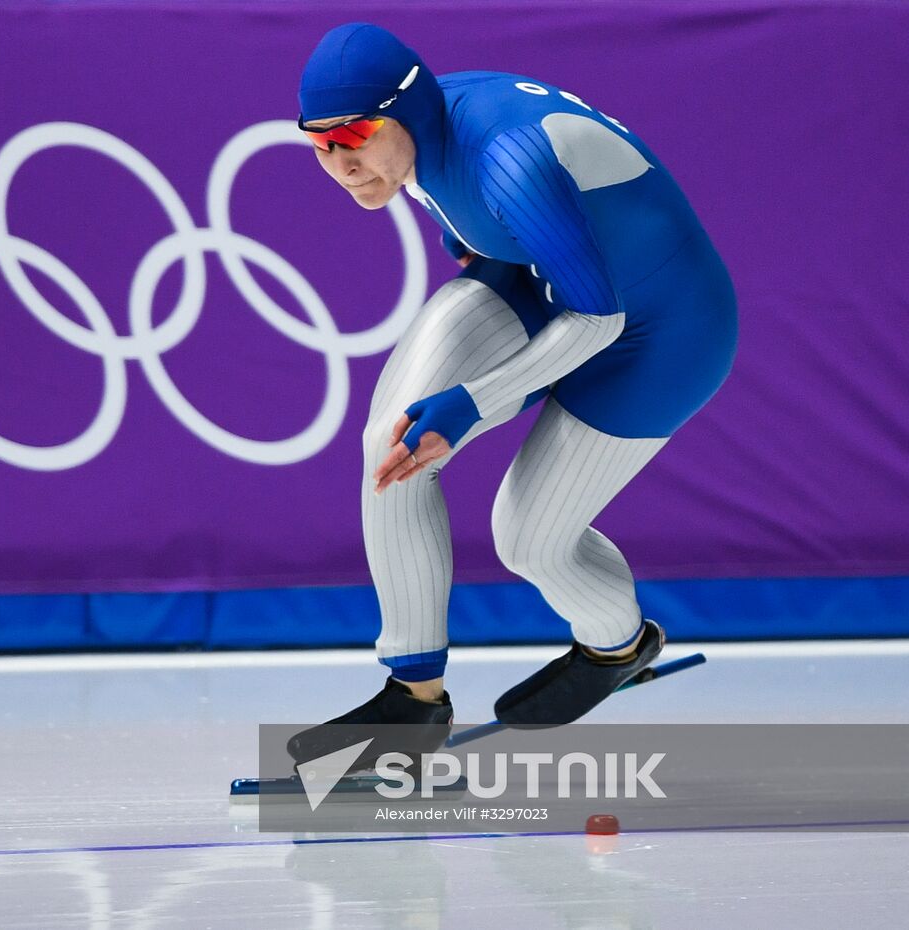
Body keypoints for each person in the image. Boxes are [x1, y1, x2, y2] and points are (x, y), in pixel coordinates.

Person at [286, 23, 737, 768]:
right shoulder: (420, 128)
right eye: (318, 143)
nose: (339, 163)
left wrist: (470, 403)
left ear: (404, 112)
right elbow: (477, 220)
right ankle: (412, 698)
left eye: (354, 136)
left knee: (528, 539)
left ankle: (616, 646)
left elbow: (599, 318)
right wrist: (465, 249)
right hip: (542, 278)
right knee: (390, 444)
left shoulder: (507, 160)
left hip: (664, 328)